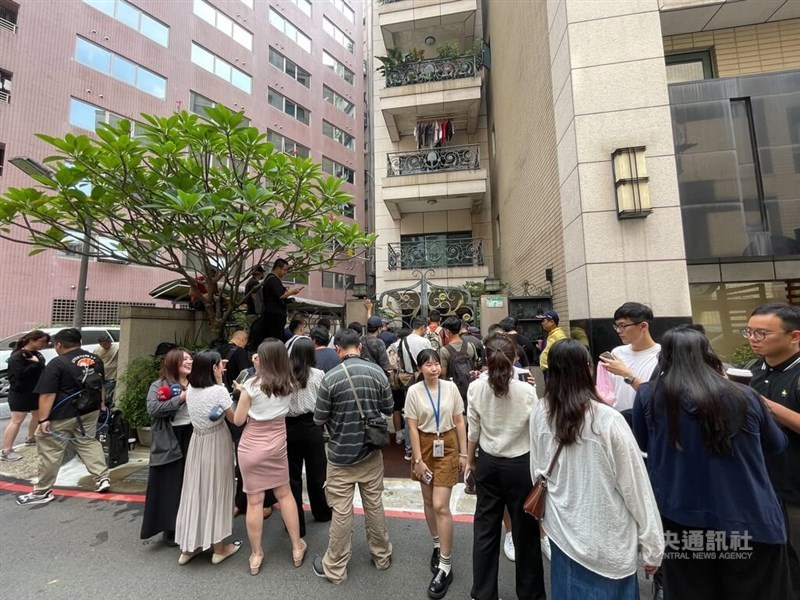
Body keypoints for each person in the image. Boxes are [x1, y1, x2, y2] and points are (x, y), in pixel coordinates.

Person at [634, 325, 789, 599]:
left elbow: (644, 444)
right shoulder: (745, 395)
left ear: (664, 357)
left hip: (679, 517)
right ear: (708, 353)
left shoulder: (649, 395)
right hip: (748, 518)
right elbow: (777, 444)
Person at [465, 335, 545, 600]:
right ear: (515, 358)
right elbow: (536, 431)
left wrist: (470, 462)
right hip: (520, 465)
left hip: (488, 462)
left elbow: (473, 430)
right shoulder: (527, 391)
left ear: (486, 359)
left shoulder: (476, 388)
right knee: (526, 535)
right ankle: (531, 594)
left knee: (485, 531)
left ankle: (484, 593)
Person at [312, 328, 394, 584]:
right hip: (370, 453)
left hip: (339, 456)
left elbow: (319, 418)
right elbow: (389, 408)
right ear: (359, 346)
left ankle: (335, 568)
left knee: (341, 513)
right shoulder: (377, 373)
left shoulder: (331, 378)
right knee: (374, 506)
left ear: (338, 349)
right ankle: (381, 557)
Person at [233, 339, 307, 575]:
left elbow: (238, 420)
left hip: (251, 446)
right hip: (277, 445)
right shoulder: (289, 383)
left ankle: (256, 555)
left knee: (254, 501)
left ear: (262, 360)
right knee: (285, 495)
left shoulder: (250, 387)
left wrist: (241, 391)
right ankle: (297, 547)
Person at [17, 328, 110, 506]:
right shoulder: (95, 359)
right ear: (79, 342)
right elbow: (100, 384)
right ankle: (102, 477)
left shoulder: (57, 363)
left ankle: (42, 491)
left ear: (59, 344)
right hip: (90, 410)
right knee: (88, 442)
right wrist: (102, 403)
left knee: (51, 450)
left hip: (62, 414)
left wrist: (43, 419)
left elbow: (47, 394)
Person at [745, 302, 800, 598]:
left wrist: (762, 403)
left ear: (794, 337)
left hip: (795, 492)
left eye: (762, 333)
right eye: (750, 331)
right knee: (776, 568)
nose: (753, 339)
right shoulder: (753, 370)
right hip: (763, 487)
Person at [406, 349, 468, 599]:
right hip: (425, 445)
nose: (433, 368)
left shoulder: (450, 388)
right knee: (429, 501)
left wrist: (464, 454)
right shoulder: (414, 391)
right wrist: (418, 460)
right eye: (428, 364)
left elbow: (460, 420)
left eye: (436, 364)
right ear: (419, 368)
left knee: (441, 504)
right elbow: (411, 426)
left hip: (449, 443)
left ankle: (445, 563)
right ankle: (436, 543)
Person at [174, 351, 241, 566]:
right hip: (216, 440)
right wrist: (226, 387)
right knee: (217, 490)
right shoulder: (218, 392)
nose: (222, 367)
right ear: (213, 368)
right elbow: (235, 419)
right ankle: (219, 548)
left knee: (195, 490)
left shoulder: (191, 390)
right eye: (219, 365)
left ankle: (189, 546)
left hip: (197, 441)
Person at [140, 348, 194, 545]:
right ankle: (170, 529)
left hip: (193, 434)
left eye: (190, 358)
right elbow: (153, 409)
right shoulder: (160, 385)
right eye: (184, 359)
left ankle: (190, 524)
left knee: (190, 481)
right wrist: (179, 399)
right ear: (173, 363)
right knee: (170, 483)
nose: (189, 362)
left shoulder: (197, 382)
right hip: (170, 437)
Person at [284, 337, 331, 538]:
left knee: (292, 477)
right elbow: (324, 401)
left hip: (289, 427)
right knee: (317, 472)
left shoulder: (284, 375)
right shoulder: (319, 374)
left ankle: (295, 522)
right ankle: (321, 511)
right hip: (313, 427)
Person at [599, 302, 661, 415]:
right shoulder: (617, 353)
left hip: (646, 422)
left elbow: (658, 398)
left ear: (643, 326)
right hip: (619, 421)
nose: (618, 330)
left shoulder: (661, 356)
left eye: (623, 325)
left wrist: (627, 374)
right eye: (616, 326)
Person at [1, 330, 50, 462]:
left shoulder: (37, 355)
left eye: (46, 341)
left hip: (35, 391)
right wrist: (34, 364)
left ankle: (30, 437)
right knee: (17, 420)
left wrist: (37, 363)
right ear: (32, 340)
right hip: (20, 392)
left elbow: (42, 369)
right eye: (42, 341)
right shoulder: (18, 356)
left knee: (37, 414)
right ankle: (6, 450)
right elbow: (19, 376)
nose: (44, 344)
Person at [391, 316, 432, 455]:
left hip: (408, 380)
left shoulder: (402, 341)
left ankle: (409, 448)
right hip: (423, 378)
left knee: (410, 413)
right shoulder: (425, 341)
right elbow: (430, 360)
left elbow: (398, 361)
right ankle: (426, 445)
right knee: (426, 411)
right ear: (422, 327)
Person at [250, 258, 303, 349]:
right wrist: (292, 292)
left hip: (274, 314)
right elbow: (281, 295)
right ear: (278, 268)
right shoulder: (272, 279)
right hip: (274, 315)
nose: (285, 272)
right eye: (284, 270)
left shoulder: (272, 279)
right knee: (275, 340)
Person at [536, 310, 567, 379]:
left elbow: (563, 354)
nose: (542, 323)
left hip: (553, 372)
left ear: (552, 322)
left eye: (544, 320)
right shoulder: (551, 334)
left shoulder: (559, 336)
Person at [95, 334, 119, 405]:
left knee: (107, 396)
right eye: (102, 343)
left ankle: (107, 409)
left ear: (109, 341)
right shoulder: (97, 350)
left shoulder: (117, 348)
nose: (104, 344)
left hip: (111, 377)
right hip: (100, 377)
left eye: (106, 342)